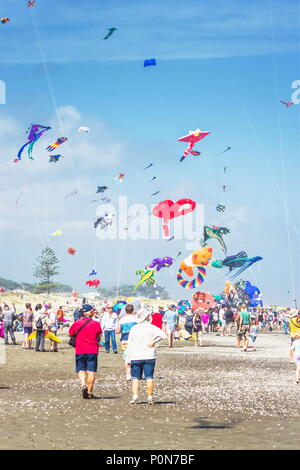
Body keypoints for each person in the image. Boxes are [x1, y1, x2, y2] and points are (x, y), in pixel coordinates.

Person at [127, 307, 167, 405]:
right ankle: (150, 397)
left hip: (136, 355)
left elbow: (130, 343)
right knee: (149, 377)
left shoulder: (134, 328)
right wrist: (153, 341)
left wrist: (128, 357)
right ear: (147, 317)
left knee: (135, 378)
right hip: (149, 355)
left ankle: (135, 397)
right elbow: (163, 335)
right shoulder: (151, 327)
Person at [69, 304, 102, 399]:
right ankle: (90, 392)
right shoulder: (96, 324)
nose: (93, 312)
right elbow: (98, 336)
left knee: (81, 369)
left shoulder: (77, 323)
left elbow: (70, 334)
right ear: (88, 312)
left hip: (80, 349)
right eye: (92, 311)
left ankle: (83, 384)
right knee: (91, 371)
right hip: (92, 349)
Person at [116, 304, 137, 381]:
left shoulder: (122, 319)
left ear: (125, 311)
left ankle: (128, 374)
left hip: (125, 339)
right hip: (134, 340)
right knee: (134, 356)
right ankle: (134, 373)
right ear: (133, 310)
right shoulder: (136, 319)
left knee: (126, 356)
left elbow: (118, 330)